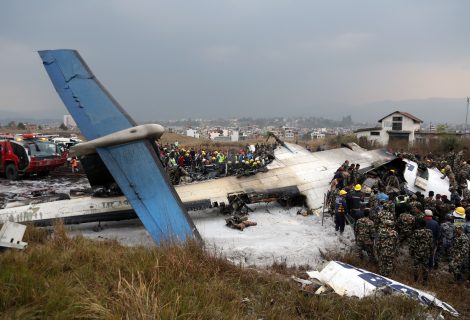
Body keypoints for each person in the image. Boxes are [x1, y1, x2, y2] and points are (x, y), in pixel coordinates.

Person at [409, 218, 433, 283]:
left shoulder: (417, 232)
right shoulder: (429, 232)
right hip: (426, 252)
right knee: (425, 267)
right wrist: (431, 251)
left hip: (418, 252)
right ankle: (425, 280)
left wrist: (411, 251)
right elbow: (431, 243)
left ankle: (415, 279)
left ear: (419, 225)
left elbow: (413, 243)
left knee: (416, 266)